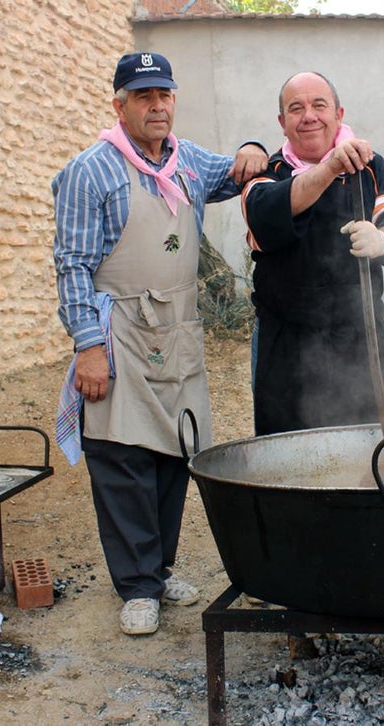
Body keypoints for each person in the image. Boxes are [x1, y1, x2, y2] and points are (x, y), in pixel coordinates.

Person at [51, 51, 267, 635]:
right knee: (123, 458)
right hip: (120, 331)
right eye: (143, 97)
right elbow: (71, 265)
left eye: (164, 95)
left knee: (177, 453)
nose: (157, 106)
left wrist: (250, 149)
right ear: (118, 105)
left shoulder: (188, 161)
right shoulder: (89, 171)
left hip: (179, 331)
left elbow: (240, 170)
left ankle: (161, 568)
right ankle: (138, 587)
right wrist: (87, 346)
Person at [242, 71, 384, 436]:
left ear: (339, 114)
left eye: (319, 106)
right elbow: (264, 215)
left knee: (373, 454)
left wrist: (383, 240)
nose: (309, 116)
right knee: (288, 460)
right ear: (282, 123)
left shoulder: (370, 168)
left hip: (361, 340)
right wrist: (332, 165)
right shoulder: (267, 173)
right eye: (296, 108)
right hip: (287, 347)